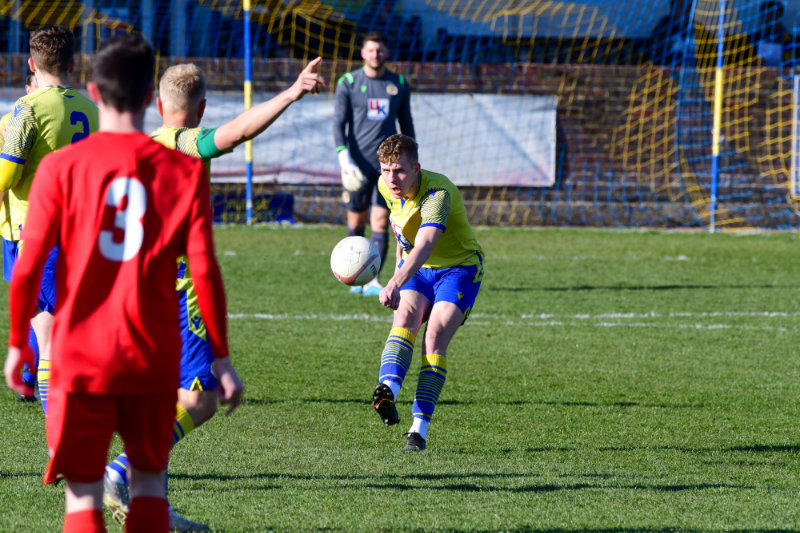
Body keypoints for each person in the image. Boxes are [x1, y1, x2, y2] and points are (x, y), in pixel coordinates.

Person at [3, 32, 243, 533]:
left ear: (94, 92)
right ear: (151, 99)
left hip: (82, 350)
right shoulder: (181, 170)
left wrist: (17, 347)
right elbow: (204, 267)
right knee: (148, 483)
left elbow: (28, 266)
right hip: (149, 349)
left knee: (82, 494)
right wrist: (220, 357)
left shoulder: (60, 168)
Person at [102, 57, 325, 530]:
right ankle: (120, 470)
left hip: (132, 289)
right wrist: (292, 93)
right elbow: (237, 132)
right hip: (179, 291)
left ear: (158, 103)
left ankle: (154, 509)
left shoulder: (137, 146)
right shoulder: (183, 143)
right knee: (199, 401)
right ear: (201, 109)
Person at [0, 25, 99, 413]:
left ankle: (60, 428)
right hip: (81, 231)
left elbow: (8, 175)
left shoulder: (28, 108)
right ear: (73, 64)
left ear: (31, 64)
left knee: (48, 332)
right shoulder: (92, 110)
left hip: (37, 232)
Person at [370, 134, 484, 452]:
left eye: (399, 170)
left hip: (459, 269)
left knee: (433, 337)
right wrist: (399, 268)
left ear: (416, 168)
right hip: (417, 270)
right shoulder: (385, 187)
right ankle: (387, 391)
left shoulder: (437, 193)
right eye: (385, 170)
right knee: (405, 318)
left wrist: (394, 282)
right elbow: (402, 233)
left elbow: (425, 244)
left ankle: (417, 431)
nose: (392, 178)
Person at [333, 31, 415, 296]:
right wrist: (343, 157)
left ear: (386, 53)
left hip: (388, 168)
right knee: (356, 219)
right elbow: (338, 123)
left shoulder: (398, 84)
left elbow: (406, 124)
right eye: (370, 50)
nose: (375, 55)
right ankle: (352, 273)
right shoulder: (348, 82)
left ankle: (372, 279)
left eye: (379, 50)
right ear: (363, 53)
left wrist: (411, 159)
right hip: (357, 165)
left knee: (380, 220)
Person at [0, 70, 39, 401]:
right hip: (12, 227)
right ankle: (30, 371)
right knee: (28, 304)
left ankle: (32, 373)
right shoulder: (8, 122)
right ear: (27, 89)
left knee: (38, 305)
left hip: (34, 225)